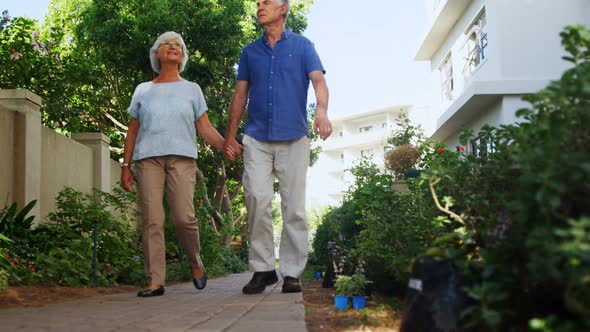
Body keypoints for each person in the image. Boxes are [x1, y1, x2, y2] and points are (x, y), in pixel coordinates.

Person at [223, 0, 332, 294]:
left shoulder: (303, 46)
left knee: (293, 207)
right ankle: (263, 269)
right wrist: (229, 137)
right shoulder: (250, 52)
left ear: (283, 9)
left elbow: (319, 81)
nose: (260, 6)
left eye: (266, 2)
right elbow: (240, 95)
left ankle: (292, 273)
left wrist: (321, 110)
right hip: (257, 137)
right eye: (258, 3)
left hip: (294, 137)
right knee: (256, 200)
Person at [121, 31, 227, 297]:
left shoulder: (192, 89)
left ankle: (195, 260)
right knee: (152, 220)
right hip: (148, 160)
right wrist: (125, 166)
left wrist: (227, 145)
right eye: (166, 44)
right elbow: (132, 130)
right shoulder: (143, 90)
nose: (172, 47)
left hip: (182, 158)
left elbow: (205, 128)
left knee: (183, 217)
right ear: (156, 53)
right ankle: (155, 281)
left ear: (183, 55)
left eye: (178, 45)